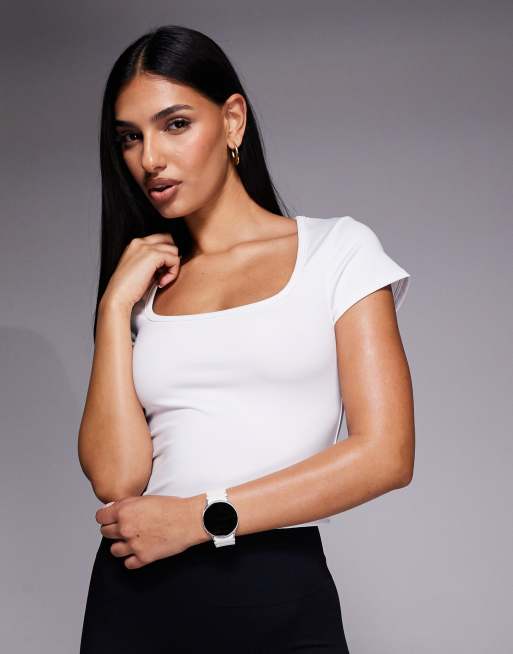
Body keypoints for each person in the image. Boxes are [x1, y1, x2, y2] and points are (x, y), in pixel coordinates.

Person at [78, 24, 414, 653]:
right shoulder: (145, 286)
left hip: (276, 590)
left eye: (175, 124)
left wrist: (201, 517)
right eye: (130, 137)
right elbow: (117, 481)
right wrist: (113, 309)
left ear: (232, 120)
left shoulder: (335, 252)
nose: (150, 158)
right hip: (137, 597)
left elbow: (386, 454)